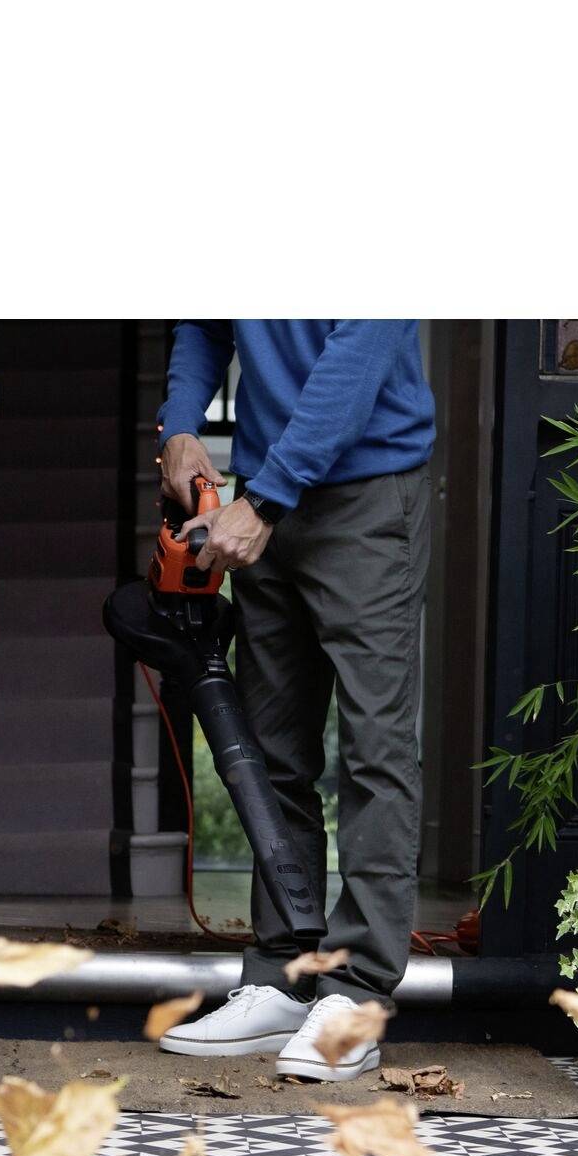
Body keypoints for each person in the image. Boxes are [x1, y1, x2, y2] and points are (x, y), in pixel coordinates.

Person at [152, 320, 435, 1082]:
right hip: (267, 502)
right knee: (273, 754)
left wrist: (266, 499)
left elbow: (361, 352)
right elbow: (206, 327)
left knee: (375, 749)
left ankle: (358, 992)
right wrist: (179, 426)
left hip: (366, 497)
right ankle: (282, 972)